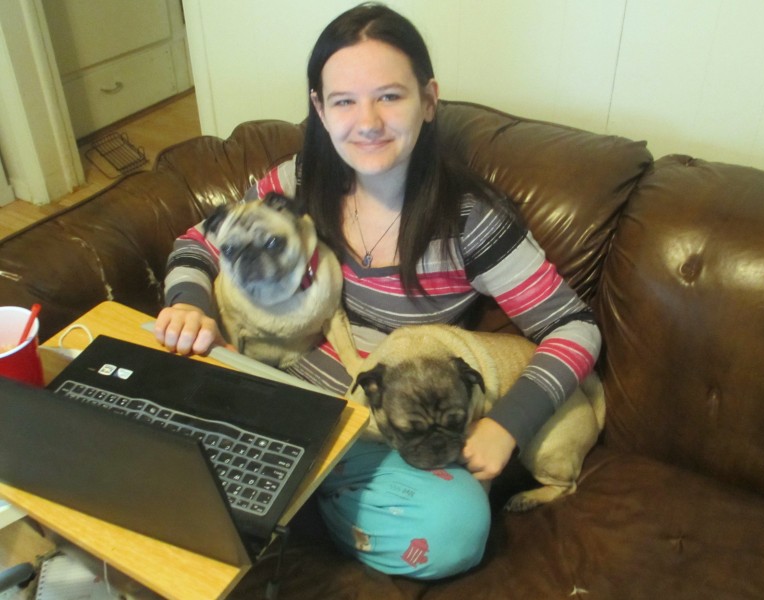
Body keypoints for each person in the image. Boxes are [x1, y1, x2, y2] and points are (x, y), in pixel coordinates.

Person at [154, 2, 601, 579]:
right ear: (320, 109)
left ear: (429, 100)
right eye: (344, 101)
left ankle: (284, 497)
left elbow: (574, 327)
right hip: (276, 391)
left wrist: (505, 425)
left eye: (389, 96)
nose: (367, 122)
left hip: (380, 432)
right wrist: (189, 305)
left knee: (455, 531)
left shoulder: (470, 221)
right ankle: (283, 493)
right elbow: (198, 242)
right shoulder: (298, 182)